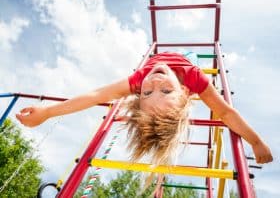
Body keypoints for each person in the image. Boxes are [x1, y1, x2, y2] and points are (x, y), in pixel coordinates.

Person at [16, 52, 273, 167]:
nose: (155, 83)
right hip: (186, 61)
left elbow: (95, 95)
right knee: (192, 57)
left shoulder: (140, 80)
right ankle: (190, 55)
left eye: (148, 93)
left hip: (160, 57)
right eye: (166, 91)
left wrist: (48, 112)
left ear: (139, 94)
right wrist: (256, 141)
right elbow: (226, 113)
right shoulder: (195, 79)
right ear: (184, 92)